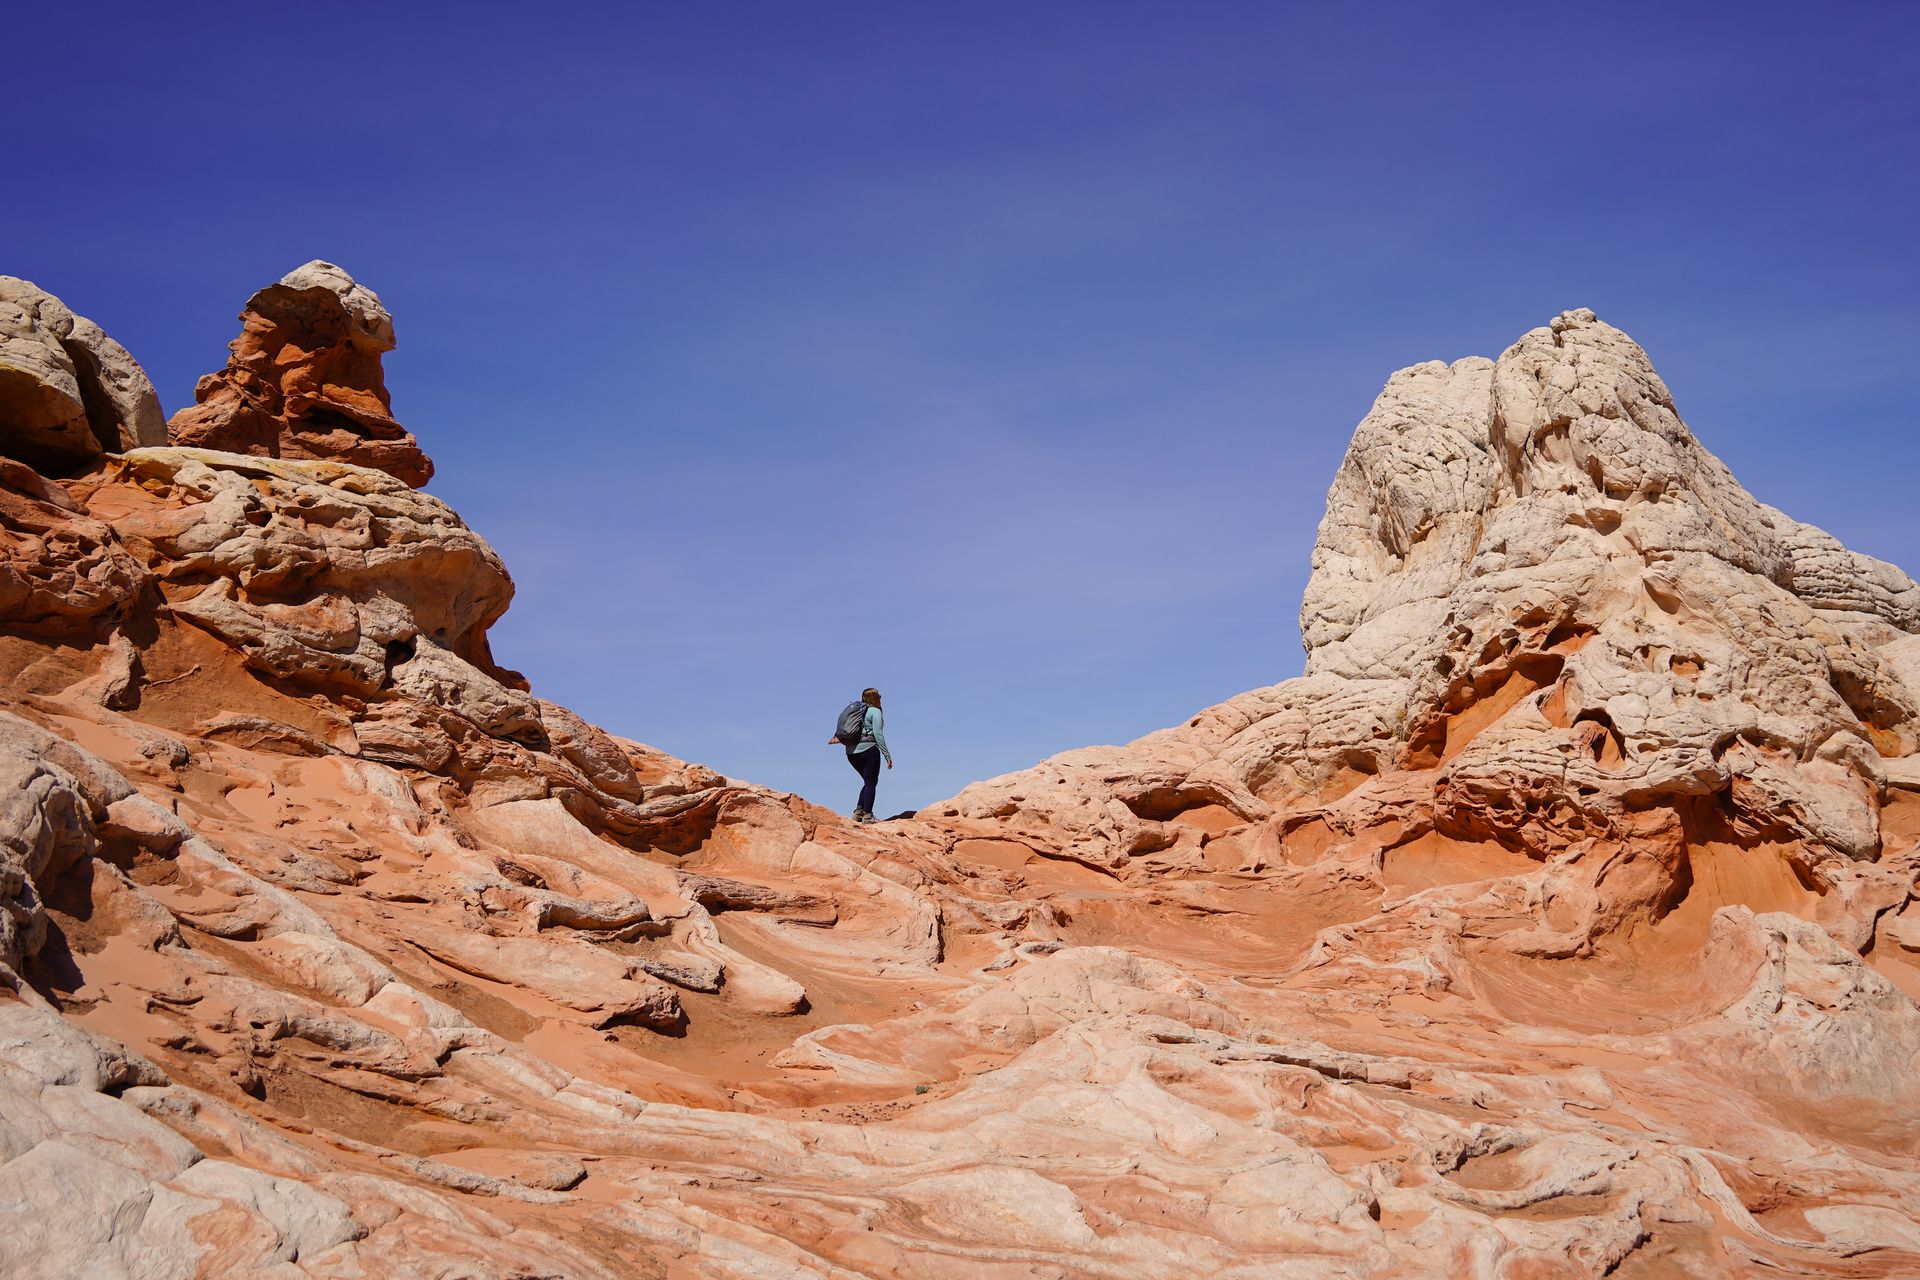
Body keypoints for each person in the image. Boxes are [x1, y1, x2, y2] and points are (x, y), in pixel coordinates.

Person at [831, 687, 892, 823]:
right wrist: (887, 755)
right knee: (871, 782)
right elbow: (878, 734)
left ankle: (858, 813)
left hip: (851, 753)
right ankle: (868, 816)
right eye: (879, 696)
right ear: (875, 698)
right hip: (868, 750)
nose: (881, 698)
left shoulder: (857, 711)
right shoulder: (874, 711)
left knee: (868, 782)